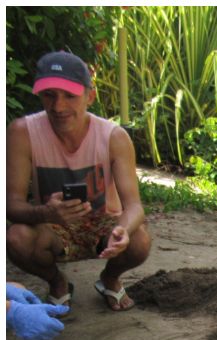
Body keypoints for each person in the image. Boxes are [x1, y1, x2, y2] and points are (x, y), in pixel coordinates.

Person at [6, 51, 151, 311]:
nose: (58, 106)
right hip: (52, 228)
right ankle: (57, 282)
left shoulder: (113, 137)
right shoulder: (21, 132)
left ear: (90, 96)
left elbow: (135, 207)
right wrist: (46, 212)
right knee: (16, 238)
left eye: (69, 96)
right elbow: (11, 206)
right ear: (38, 94)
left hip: (103, 225)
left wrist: (123, 231)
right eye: (49, 95)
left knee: (139, 241)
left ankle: (110, 279)